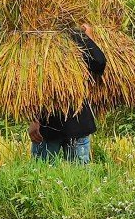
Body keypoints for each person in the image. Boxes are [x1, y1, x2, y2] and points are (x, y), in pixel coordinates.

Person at [29, 29, 108, 164]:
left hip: (48, 124)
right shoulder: (74, 34)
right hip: (69, 123)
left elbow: (28, 85)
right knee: (78, 181)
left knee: (42, 178)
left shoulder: (35, 37)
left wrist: (33, 119)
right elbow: (99, 63)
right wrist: (88, 39)